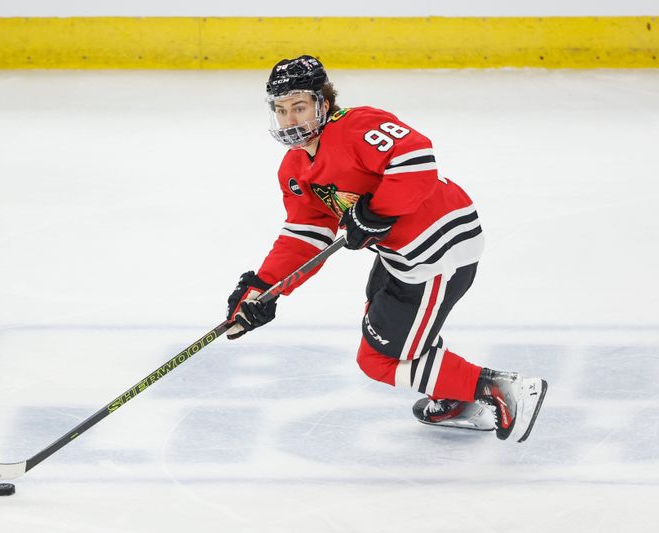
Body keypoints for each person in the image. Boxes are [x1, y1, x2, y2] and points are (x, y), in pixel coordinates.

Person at [225, 55, 547, 443]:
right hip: (400, 256)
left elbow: (417, 161)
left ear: (323, 104)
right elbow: (305, 233)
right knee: (387, 328)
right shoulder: (294, 169)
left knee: (378, 359)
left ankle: (499, 390)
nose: (290, 120)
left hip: (436, 252)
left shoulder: (359, 125)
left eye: (299, 107)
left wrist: (376, 213)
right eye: (281, 110)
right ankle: (454, 395)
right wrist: (263, 287)